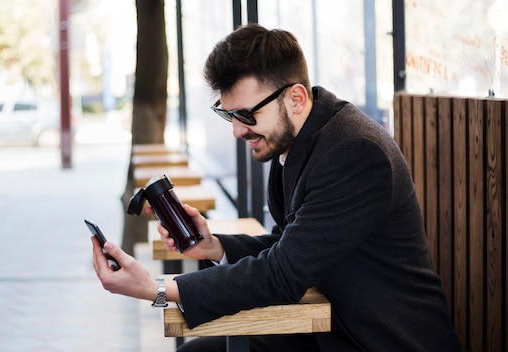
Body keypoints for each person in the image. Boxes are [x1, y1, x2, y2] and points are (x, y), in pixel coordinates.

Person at [92, 23, 462, 352]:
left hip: (380, 338)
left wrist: (157, 289)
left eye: (246, 115)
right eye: (228, 114)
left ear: (296, 99)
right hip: (330, 324)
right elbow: (293, 245)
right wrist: (216, 246)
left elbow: (283, 273)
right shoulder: (295, 139)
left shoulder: (355, 152)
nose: (237, 130)